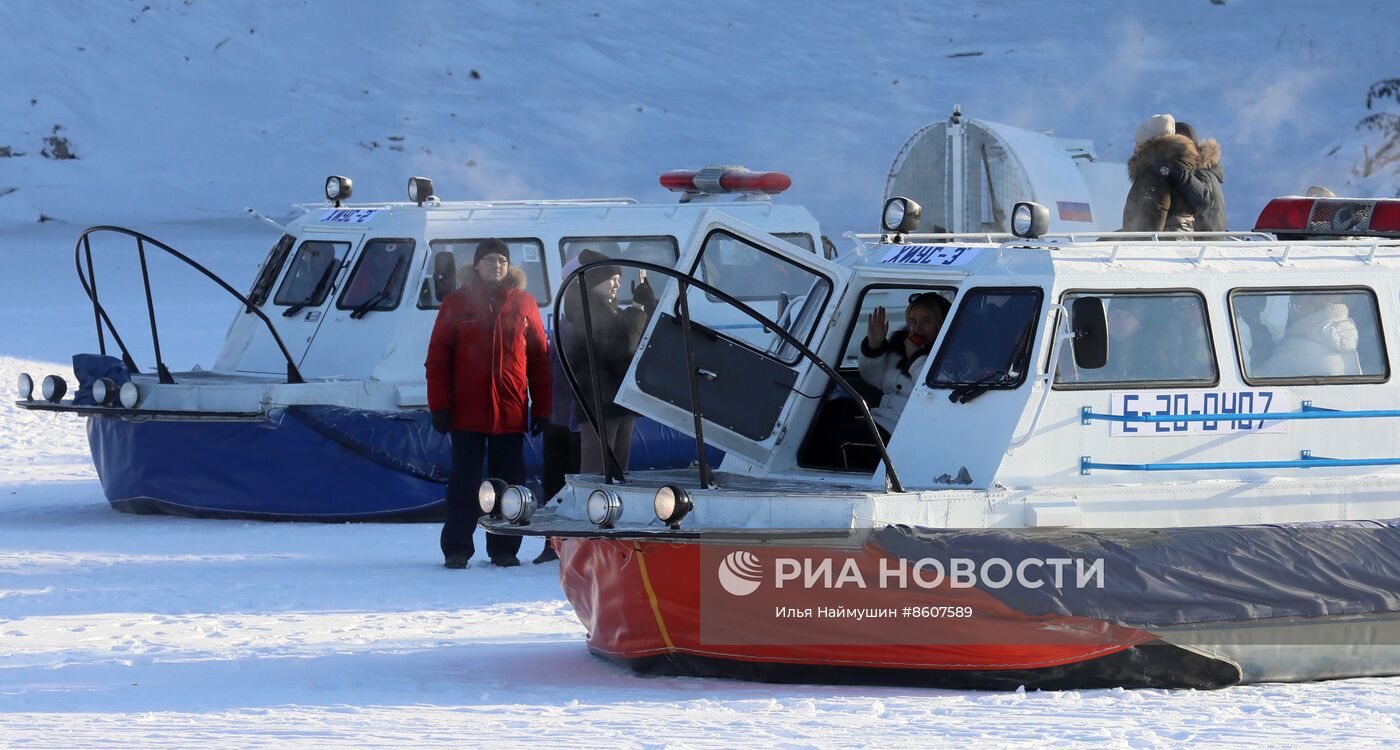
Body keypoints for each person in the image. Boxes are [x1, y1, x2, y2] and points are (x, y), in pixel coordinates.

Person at [426, 238, 551, 569]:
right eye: (490, 260)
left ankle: (504, 549)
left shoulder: (525, 304)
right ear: (477, 265)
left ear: (509, 267)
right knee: (464, 484)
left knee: (509, 486)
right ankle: (457, 548)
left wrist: (541, 408)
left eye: (502, 260)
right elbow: (437, 358)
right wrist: (439, 405)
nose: (496, 265)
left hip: (509, 414)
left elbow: (540, 360)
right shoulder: (456, 303)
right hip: (466, 413)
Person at [564, 248, 658, 477]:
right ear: (594, 282)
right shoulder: (587, 310)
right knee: (598, 466)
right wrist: (636, 309)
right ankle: (592, 506)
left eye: (618, 280)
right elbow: (622, 344)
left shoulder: (612, 310)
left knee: (617, 466)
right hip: (598, 400)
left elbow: (640, 335)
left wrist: (648, 305)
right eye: (611, 280)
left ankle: (612, 503)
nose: (617, 285)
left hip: (616, 399)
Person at [534, 255, 584, 565]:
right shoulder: (563, 318)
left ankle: (575, 545)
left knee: (578, 483)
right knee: (554, 483)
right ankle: (552, 544)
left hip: (580, 419)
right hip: (558, 417)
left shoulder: (594, 318)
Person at [858, 293, 951, 434]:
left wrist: (916, 358)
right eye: (913, 321)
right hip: (882, 416)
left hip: (906, 427)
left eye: (926, 321)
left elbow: (936, 393)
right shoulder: (900, 346)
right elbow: (874, 379)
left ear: (941, 323)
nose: (918, 328)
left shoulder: (952, 356)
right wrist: (874, 348)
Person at [1122, 114, 1200, 233]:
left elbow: (1157, 209)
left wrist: (1142, 243)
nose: (1134, 150)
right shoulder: (1170, 164)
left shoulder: (1157, 170)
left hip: (1164, 241)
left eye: (1138, 144)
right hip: (1175, 235)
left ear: (1148, 145)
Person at [1255, 295, 1361, 378]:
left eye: (1295, 305)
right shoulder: (1348, 330)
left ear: (1309, 307)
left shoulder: (1296, 346)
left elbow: (1261, 375)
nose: (1291, 310)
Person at [1170, 121, 1227, 233]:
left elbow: (1203, 200)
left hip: (1204, 242)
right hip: (1210, 239)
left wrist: (1178, 174)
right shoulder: (1207, 172)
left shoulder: (1200, 173)